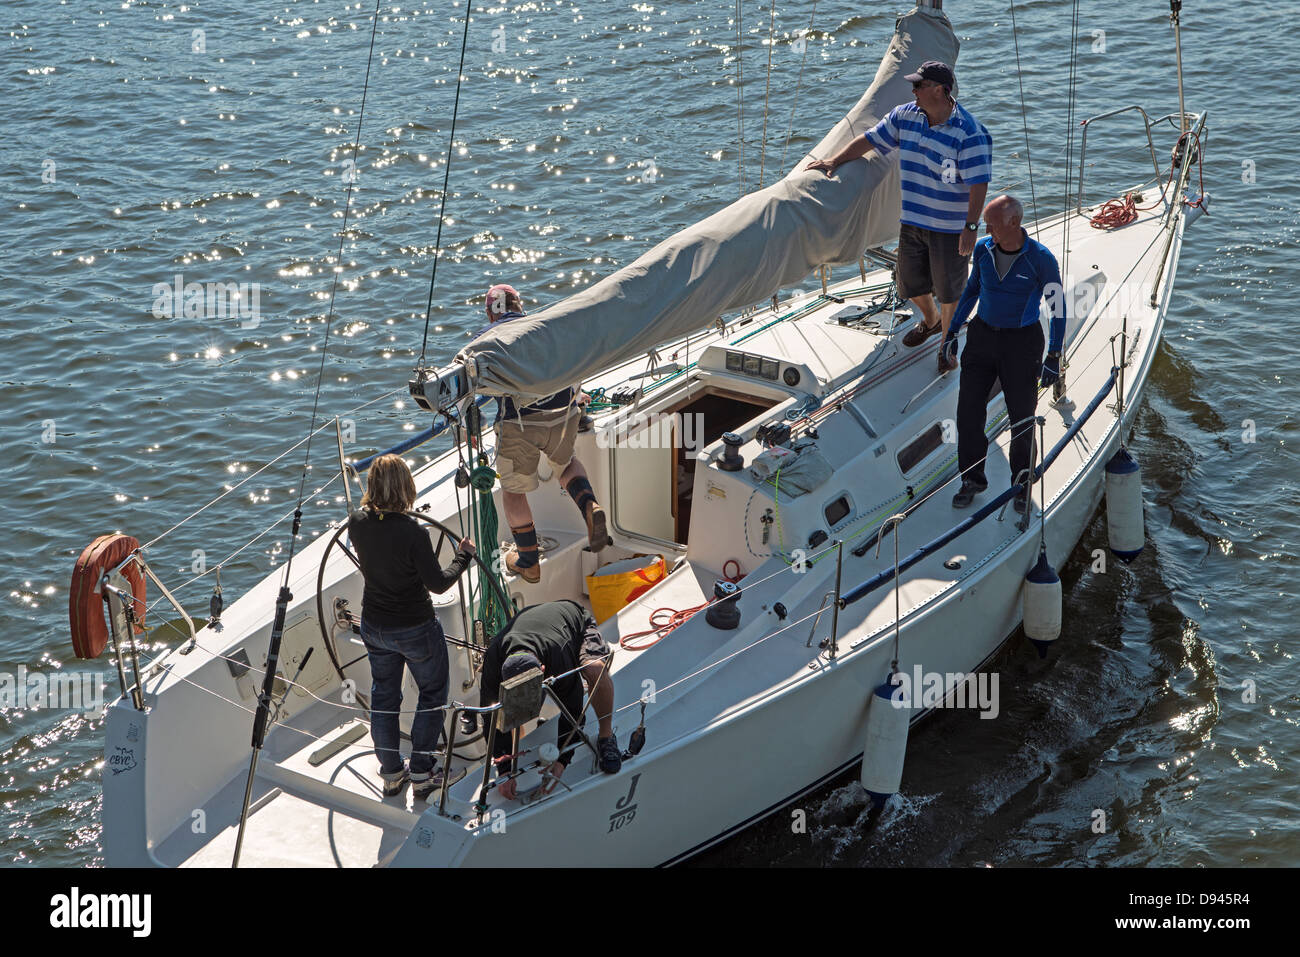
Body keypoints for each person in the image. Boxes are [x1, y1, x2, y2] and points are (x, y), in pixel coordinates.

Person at [807, 60, 992, 351]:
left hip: (949, 228)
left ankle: (947, 343)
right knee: (909, 283)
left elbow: (979, 183)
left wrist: (971, 227)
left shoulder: (969, 132)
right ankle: (931, 321)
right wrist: (834, 160)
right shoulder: (905, 116)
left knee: (949, 291)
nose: (913, 90)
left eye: (919, 85)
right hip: (913, 220)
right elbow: (869, 139)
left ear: (940, 90)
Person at [347, 453, 476, 800]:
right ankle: (421, 773)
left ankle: (391, 774)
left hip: (374, 626)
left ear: (372, 485)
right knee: (432, 695)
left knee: (385, 697)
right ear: (407, 487)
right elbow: (438, 584)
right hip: (415, 628)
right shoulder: (413, 533)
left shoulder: (356, 523)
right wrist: (464, 555)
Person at [938, 195, 1066, 513]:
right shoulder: (982, 249)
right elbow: (971, 291)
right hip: (982, 336)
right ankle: (972, 479)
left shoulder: (1041, 259)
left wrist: (1054, 355)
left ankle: (1021, 484)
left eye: (991, 223)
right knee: (967, 412)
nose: (985, 228)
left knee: (1021, 418)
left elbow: (1058, 307)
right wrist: (952, 332)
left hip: (1021, 343)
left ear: (1013, 223)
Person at [482, 284, 608, 585]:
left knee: (514, 490)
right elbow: (575, 363)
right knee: (566, 464)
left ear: (490, 313)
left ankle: (528, 562)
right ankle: (590, 504)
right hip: (562, 416)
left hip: (519, 426)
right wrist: (577, 395)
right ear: (519, 305)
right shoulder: (546, 328)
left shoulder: (485, 340)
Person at [477, 600, 621, 799]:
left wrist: (563, 759)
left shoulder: (558, 655)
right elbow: (490, 717)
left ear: (543, 670)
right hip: (538, 624)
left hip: (574, 619)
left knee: (594, 669)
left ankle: (606, 736)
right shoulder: (493, 661)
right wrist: (504, 770)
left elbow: (573, 710)